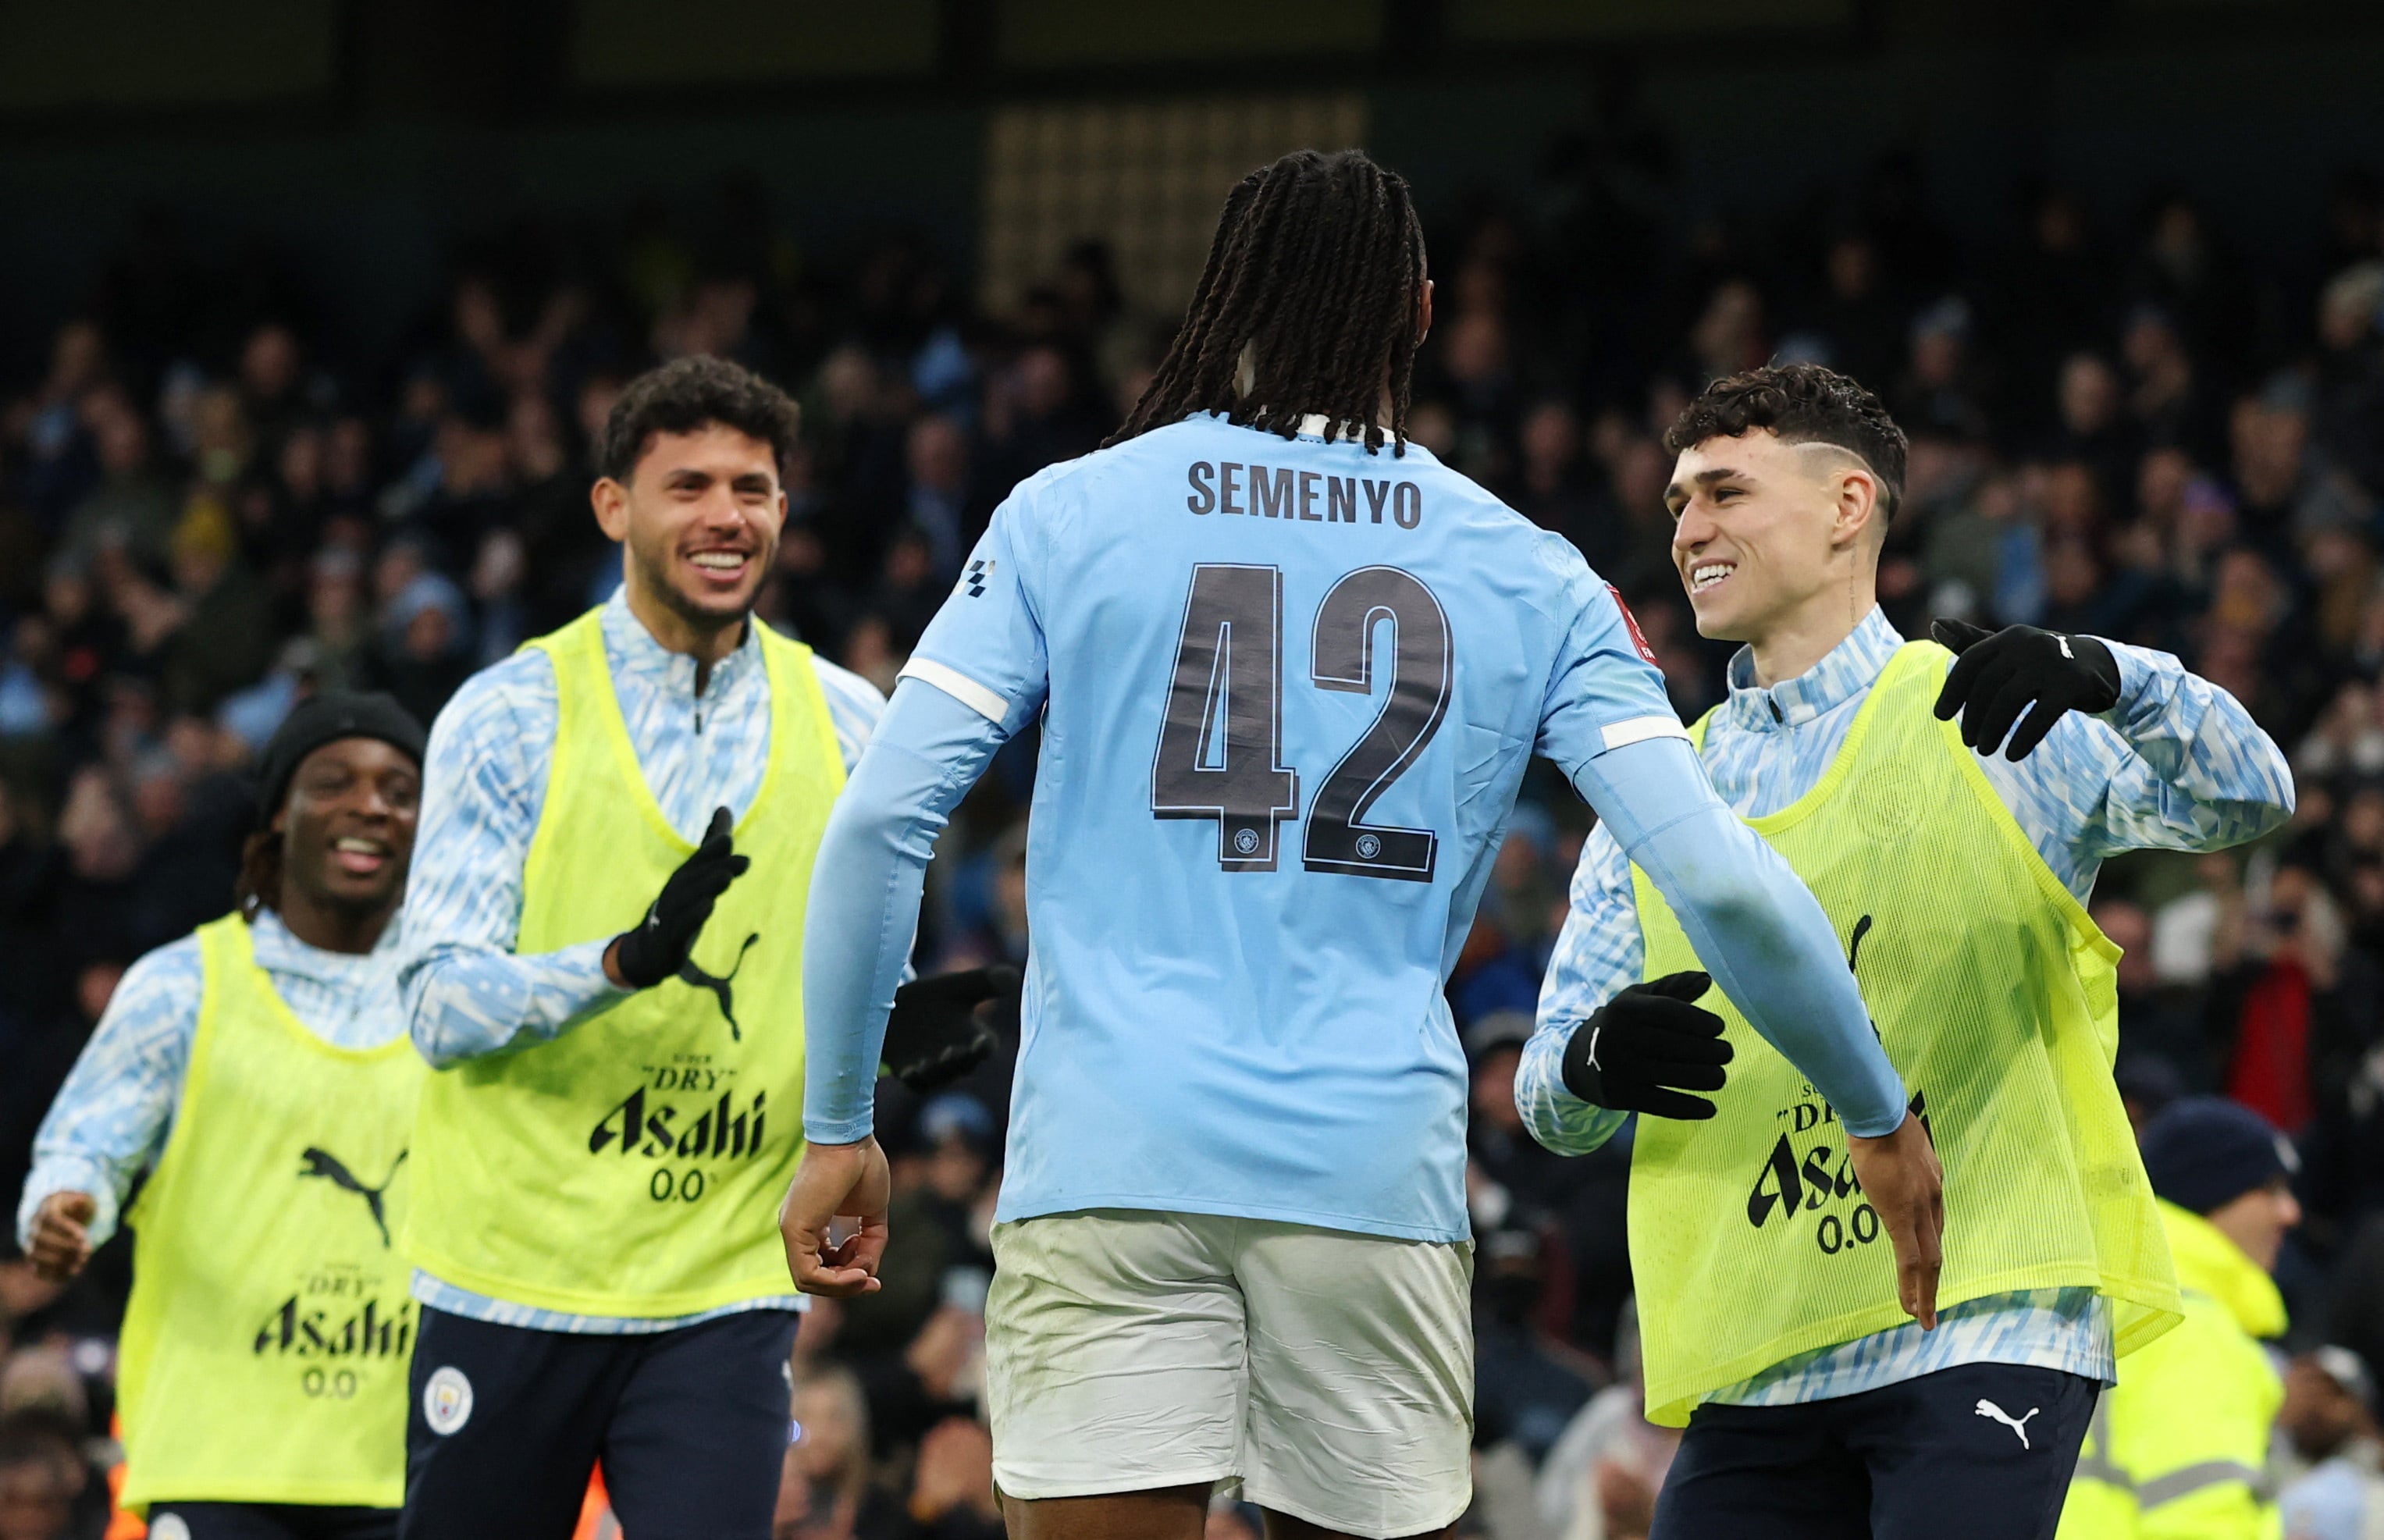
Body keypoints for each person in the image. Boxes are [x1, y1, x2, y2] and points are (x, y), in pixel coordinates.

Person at [781, 149, 1945, 1540]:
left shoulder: (1066, 514)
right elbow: (1709, 870)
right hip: (1365, 1175)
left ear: (1224, 297)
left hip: (1107, 1155)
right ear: (1419, 310)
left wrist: (840, 1121)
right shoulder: (1526, 565)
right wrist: (1871, 1108)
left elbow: (877, 823)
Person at [1521, 363, 2297, 1539]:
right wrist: (1590, 1063)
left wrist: (2111, 675)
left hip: (1987, 1310)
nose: (1688, 529)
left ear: (1847, 508)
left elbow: (2250, 795)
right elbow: (1544, 1099)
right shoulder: (1657, 789)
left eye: (1724, 492)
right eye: (1678, 501)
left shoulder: (1991, 714)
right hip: (1764, 1344)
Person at [392, 357, 1002, 1540]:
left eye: (754, 487)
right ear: (613, 506)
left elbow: (847, 968)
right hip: (515, 1276)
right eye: (689, 485)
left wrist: (894, 1021)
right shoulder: (508, 714)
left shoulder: (849, 721)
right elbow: (437, 1005)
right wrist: (616, 964)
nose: (727, 514)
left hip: (721, 1283)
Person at [16, 690, 429, 1540]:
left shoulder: (461, 998)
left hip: (406, 1459)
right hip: (216, 1459)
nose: (369, 804)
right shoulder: (181, 984)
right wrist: (63, 1203)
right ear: (277, 813)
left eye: (399, 788)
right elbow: (85, 1143)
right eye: (333, 781)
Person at [2058, 1097, 2302, 1538]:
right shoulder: (2193, 1329)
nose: (2290, 1213)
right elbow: (2203, 1518)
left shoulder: (2105, 1299)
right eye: (2270, 1189)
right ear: (2209, 1195)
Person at [2278, 1346, 2384, 1540]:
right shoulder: (2267, 1466)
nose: (2314, 1407)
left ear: (2358, 1405)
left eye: (2328, 1394)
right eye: (2305, 1392)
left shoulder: (2373, 1475)